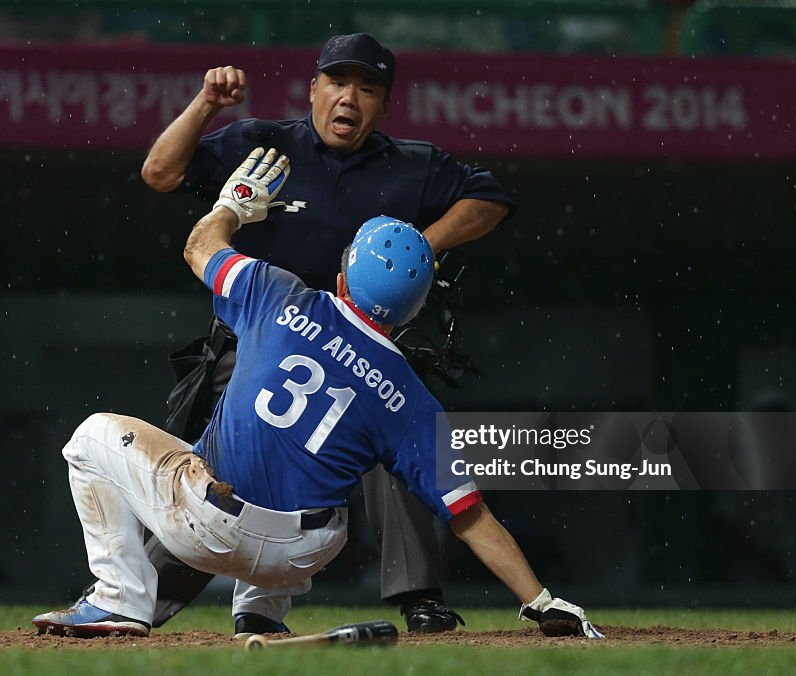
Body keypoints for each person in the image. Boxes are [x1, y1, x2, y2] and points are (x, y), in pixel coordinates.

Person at [34, 149, 600, 640]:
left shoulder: (279, 294)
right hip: (301, 555)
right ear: (413, 310)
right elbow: (469, 515)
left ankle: (119, 598)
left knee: (91, 436)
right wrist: (539, 596)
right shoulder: (410, 396)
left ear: (344, 276)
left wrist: (233, 205)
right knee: (321, 492)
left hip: (208, 525)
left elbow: (197, 247)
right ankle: (260, 612)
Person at [131, 31, 514, 635]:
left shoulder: (411, 165)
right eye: (338, 83)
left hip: (359, 347)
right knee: (223, 472)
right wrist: (207, 103)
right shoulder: (263, 144)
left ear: (385, 106)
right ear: (313, 90)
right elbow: (159, 172)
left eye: (368, 90)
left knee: (399, 430)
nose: (350, 99)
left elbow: (489, 199)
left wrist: (423, 244)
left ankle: (417, 595)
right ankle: (141, 600)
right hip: (257, 342)